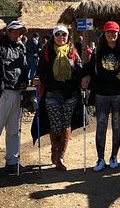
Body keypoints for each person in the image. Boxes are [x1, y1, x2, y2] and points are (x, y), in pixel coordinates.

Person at [81, 21, 120, 171]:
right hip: (101, 94)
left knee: (117, 126)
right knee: (101, 126)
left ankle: (114, 156)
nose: (112, 35)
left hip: (119, 93)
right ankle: (100, 158)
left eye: (114, 32)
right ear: (104, 34)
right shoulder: (98, 51)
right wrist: (85, 76)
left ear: (118, 34)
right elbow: (89, 67)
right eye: (109, 32)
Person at [0, 21, 29, 180]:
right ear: (8, 31)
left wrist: (24, 81)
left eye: (20, 32)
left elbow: (24, 68)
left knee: (14, 131)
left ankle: (12, 161)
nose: (18, 34)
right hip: (0, 93)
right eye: (15, 32)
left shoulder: (21, 47)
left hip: (16, 92)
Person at [33, 25, 83, 170]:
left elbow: (79, 70)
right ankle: (55, 149)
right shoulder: (47, 53)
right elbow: (41, 69)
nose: (61, 37)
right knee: (55, 126)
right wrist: (37, 78)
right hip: (52, 94)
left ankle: (61, 156)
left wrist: (84, 79)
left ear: (68, 37)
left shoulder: (73, 53)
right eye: (58, 34)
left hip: (70, 94)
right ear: (53, 37)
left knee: (66, 124)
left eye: (64, 35)